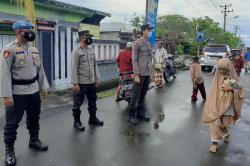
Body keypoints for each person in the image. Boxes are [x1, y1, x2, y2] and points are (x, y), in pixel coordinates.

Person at [0, 21, 50, 166]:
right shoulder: (9, 50)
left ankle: (34, 140)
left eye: (31, 30)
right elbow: (4, 74)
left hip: (33, 90)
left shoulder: (33, 49)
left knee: (34, 118)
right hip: (17, 93)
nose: (30, 32)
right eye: (27, 30)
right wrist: (7, 95)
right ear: (19, 32)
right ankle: (9, 151)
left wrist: (43, 86)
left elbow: (39, 69)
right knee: (12, 123)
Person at [202, 58, 244, 153]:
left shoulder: (232, 78)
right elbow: (213, 92)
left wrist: (231, 89)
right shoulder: (217, 77)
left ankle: (226, 131)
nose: (221, 71)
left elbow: (241, 88)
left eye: (224, 69)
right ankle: (214, 144)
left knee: (225, 124)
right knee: (215, 123)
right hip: (216, 104)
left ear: (228, 68)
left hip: (228, 106)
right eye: (219, 69)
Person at [71, 30, 104, 131]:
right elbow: (73, 67)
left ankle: (92, 118)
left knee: (93, 101)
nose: (90, 38)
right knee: (77, 103)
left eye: (90, 36)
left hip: (91, 82)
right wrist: (75, 83)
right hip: (81, 83)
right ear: (81, 38)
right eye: (87, 37)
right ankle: (77, 122)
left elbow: (95, 65)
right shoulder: (76, 51)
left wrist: (97, 78)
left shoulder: (91, 50)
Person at [128, 24, 153, 125]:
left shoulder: (149, 43)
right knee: (135, 95)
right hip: (140, 74)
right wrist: (136, 74)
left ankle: (140, 113)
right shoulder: (137, 43)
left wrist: (151, 73)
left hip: (147, 73)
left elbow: (150, 59)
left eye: (150, 30)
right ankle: (131, 114)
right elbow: (134, 60)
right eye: (148, 30)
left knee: (143, 94)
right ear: (143, 31)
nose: (150, 32)